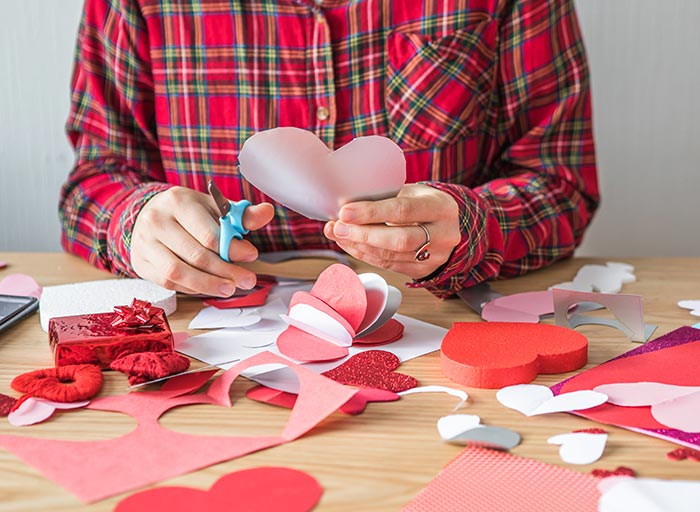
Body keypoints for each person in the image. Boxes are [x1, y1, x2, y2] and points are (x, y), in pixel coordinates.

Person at [59, 0, 599, 300]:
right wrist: (136, 222)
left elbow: (560, 184)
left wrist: (474, 226)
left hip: (441, 323)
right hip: (218, 335)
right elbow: (94, 184)